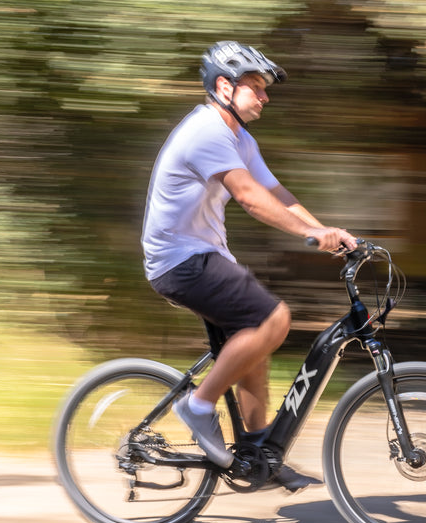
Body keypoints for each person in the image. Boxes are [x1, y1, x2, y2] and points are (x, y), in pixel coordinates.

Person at [141, 40, 358, 491]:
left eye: (264, 89)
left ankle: (258, 456)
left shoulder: (239, 137)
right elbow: (250, 198)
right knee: (273, 319)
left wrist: (329, 233)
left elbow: (278, 194)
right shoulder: (206, 131)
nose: (264, 97)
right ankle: (198, 407)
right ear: (224, 86)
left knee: (254, 349)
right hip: (179, 261)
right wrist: (308, 235)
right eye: (255, 88)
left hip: (205, 256)